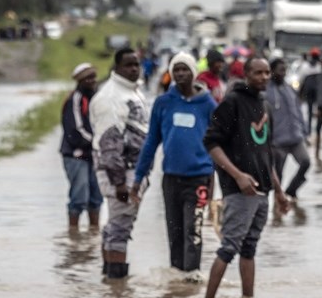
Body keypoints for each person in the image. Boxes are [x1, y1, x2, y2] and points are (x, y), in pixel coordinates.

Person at [203, 57, 291, 298]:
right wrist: (238, 175)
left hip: (263, 192)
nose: (264, 77)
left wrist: (280, 191)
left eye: (266, 73)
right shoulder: (232, 102)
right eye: (258, 73)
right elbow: (211, 143)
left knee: (249, 249)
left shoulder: (264, 104)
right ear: (246, 74)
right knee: (229, 248)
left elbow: (266, 153)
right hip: (240, 191)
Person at [132, 52, 217, 278]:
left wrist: (216, 182)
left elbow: (217, 145)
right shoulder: (163, 103)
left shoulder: (208, 104)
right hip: (170, 178)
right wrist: (138, 177)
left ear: (194, 73)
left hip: (199, 178)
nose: (180, 74)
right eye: (176, 70)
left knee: (193, 232)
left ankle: (191, 281)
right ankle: (177, 286)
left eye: (184, 69)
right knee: (175, 232)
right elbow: (151, 142)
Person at [90, 47, 150, 279]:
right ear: (117, 68)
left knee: (117, 224)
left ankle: (109, 280)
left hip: (132, 171)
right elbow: (109, 144)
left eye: (137, 64)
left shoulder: (132, 92)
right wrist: (120, 185)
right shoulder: (110, 98)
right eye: (128, 65)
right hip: (120, 174)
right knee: (120, 227)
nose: (134, 68)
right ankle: (117, 289)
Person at [59, 62, 103, 229]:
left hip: (94, 154)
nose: (92, 81)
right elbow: (75, 130)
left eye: (93, 77)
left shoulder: (95, 98)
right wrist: (95, 141)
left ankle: (93, 234)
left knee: (96, 197)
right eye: (88, 78)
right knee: (79, 195)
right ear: (80, 81)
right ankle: (73, 233)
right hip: (75, 155)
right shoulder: (74, 100)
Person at [264, 57, 312, 202]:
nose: (283, 73)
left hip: (296, 138)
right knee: (278, 174)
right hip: (277, 141)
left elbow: (298, 111)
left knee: (306, 162)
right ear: (272, 72)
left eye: (285, 70)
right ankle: (277, 204)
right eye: (280, 70)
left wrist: (304, 132)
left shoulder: (289, 89)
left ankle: (291, 190)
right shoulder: (266, 91)